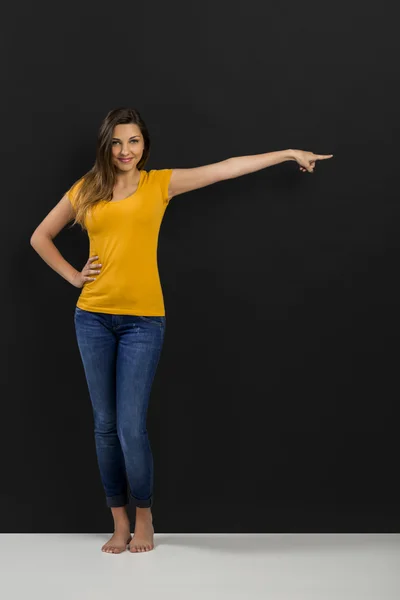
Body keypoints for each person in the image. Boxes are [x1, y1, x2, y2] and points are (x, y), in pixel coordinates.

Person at [30, 106, 333, 554]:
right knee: (105, 426)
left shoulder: (159, 184)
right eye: (116, 142)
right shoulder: (87, 189)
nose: (125, 150)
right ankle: (118, 521)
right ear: (105, 146)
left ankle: (145, 516)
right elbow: (40, 236)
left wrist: (287, 153)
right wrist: (75, 277)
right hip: (92, 317)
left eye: (133, 141)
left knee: (132, 425)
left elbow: (225, 169)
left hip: (143, 321)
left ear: (144, 145)